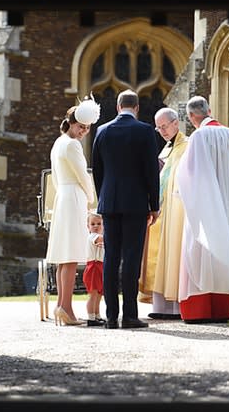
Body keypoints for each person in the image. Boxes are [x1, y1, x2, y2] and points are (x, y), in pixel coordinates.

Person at [176, 95, 229, 323]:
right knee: (226, 242)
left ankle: (201, 309)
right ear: (208, 110)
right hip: (228, 201)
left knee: (200, 247)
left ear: (191, 116)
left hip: (206, 202)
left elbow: (189, 174)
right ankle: (225, 306)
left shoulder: (198, 136)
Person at [92, 89, 160, 329]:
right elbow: (152, 171)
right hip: (136, 203)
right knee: (131, 258)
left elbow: (97, 171)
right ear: (137, 107)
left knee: (111, 257)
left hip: (109, 203)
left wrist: (103, 199)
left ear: (118, 107)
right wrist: (154, 205)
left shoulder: (101, 131)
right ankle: (130, 315)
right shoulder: (145, 132)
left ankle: (111, 317)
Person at [46, 101, 99, 326]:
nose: (84, 132)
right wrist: (92, 199)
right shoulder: (72, 145)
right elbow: (83, 175)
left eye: (87, 128)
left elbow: (57, 179)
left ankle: (61, 305)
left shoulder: (58, 143)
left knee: (63, 258)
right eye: (81, 127)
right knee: (69, 258)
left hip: (62, 197)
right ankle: (66, 308)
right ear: (71, 123)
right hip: (74, 197)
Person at [139, 107, 189, 319]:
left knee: (173, 257)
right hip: (161, 212)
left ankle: (175, 306)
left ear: (176, 123)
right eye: (158, 128)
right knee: (158, 258)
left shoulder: (187, 146)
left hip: (176, 211)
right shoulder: (167, 148)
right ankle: (160, 306)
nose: (162, 131)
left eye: (164, 126)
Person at [83, 212, 105, 326]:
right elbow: (100, 239)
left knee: (99, 294)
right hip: (93, 267)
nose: (96, 226)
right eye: (92, 224)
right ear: (88, 227)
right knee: (93, 294)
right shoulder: (93, 236)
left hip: (100, 266)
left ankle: (97, 315)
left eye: (99, 223)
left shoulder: (100, 236)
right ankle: (91, 317)